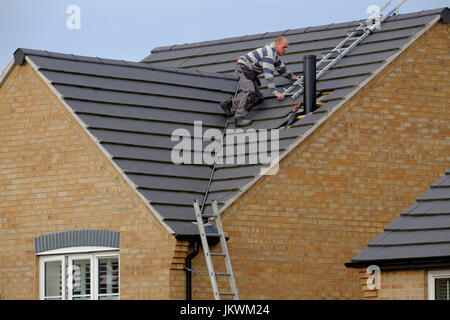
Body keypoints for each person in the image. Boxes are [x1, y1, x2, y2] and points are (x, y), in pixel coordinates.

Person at [221, 36, 299, 127]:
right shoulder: (269, 54)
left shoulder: (274, 55)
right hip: (242, 69)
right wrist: (275, 92)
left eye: (287, 47)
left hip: (249, 72)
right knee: (250, 92)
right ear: (277, 45)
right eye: (284, 47)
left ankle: (229, 104)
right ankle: (239, 118)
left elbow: (281, 68)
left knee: (258, 98)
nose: (286, 50)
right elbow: (268, 74)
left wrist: (292, 77)